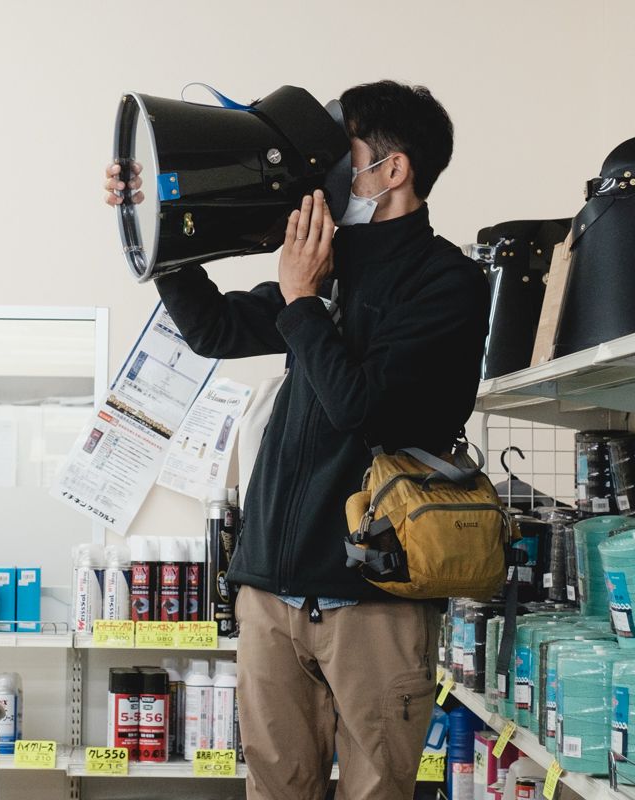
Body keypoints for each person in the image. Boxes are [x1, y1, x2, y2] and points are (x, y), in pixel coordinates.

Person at [104, 80, 490, 800]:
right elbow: (213, 328)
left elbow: (365, 414)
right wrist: (157, 218)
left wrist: (305, 300)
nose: (320, 176)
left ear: (392, 169)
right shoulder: (322, 265)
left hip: (373, 601)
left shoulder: (448, 284)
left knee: (376, 791)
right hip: (271, 596)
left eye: (340, 154)